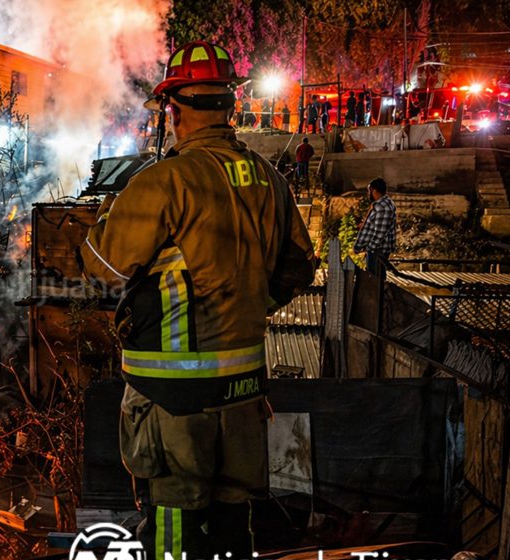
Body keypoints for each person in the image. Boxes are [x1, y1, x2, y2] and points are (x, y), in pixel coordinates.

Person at [82, 41, 316, 559]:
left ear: (175, 111)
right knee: (235, 518)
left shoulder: (166, 180)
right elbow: (301, 265)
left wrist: (107, 214)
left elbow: (103, 267)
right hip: (244, 390)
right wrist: (255, 300)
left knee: (172, 517)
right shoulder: (269, 179)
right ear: (229, 106)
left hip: (174, 396)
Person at [354, 177, 397, 274]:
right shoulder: (383, 204)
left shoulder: (382, 207)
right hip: (376, 250)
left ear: (374, 190)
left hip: (377, 251)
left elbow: (380, 233)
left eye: (369, 190)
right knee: (376, 278)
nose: (368, 193)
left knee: (374, 279)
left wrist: (370, 248)